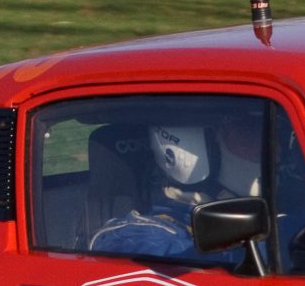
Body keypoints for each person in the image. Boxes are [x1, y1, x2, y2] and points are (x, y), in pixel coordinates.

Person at [89, 106, 267, 257]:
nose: (277, 150)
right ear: (190, 149)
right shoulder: (139, 239)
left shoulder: (264, 215)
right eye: (248, 133)